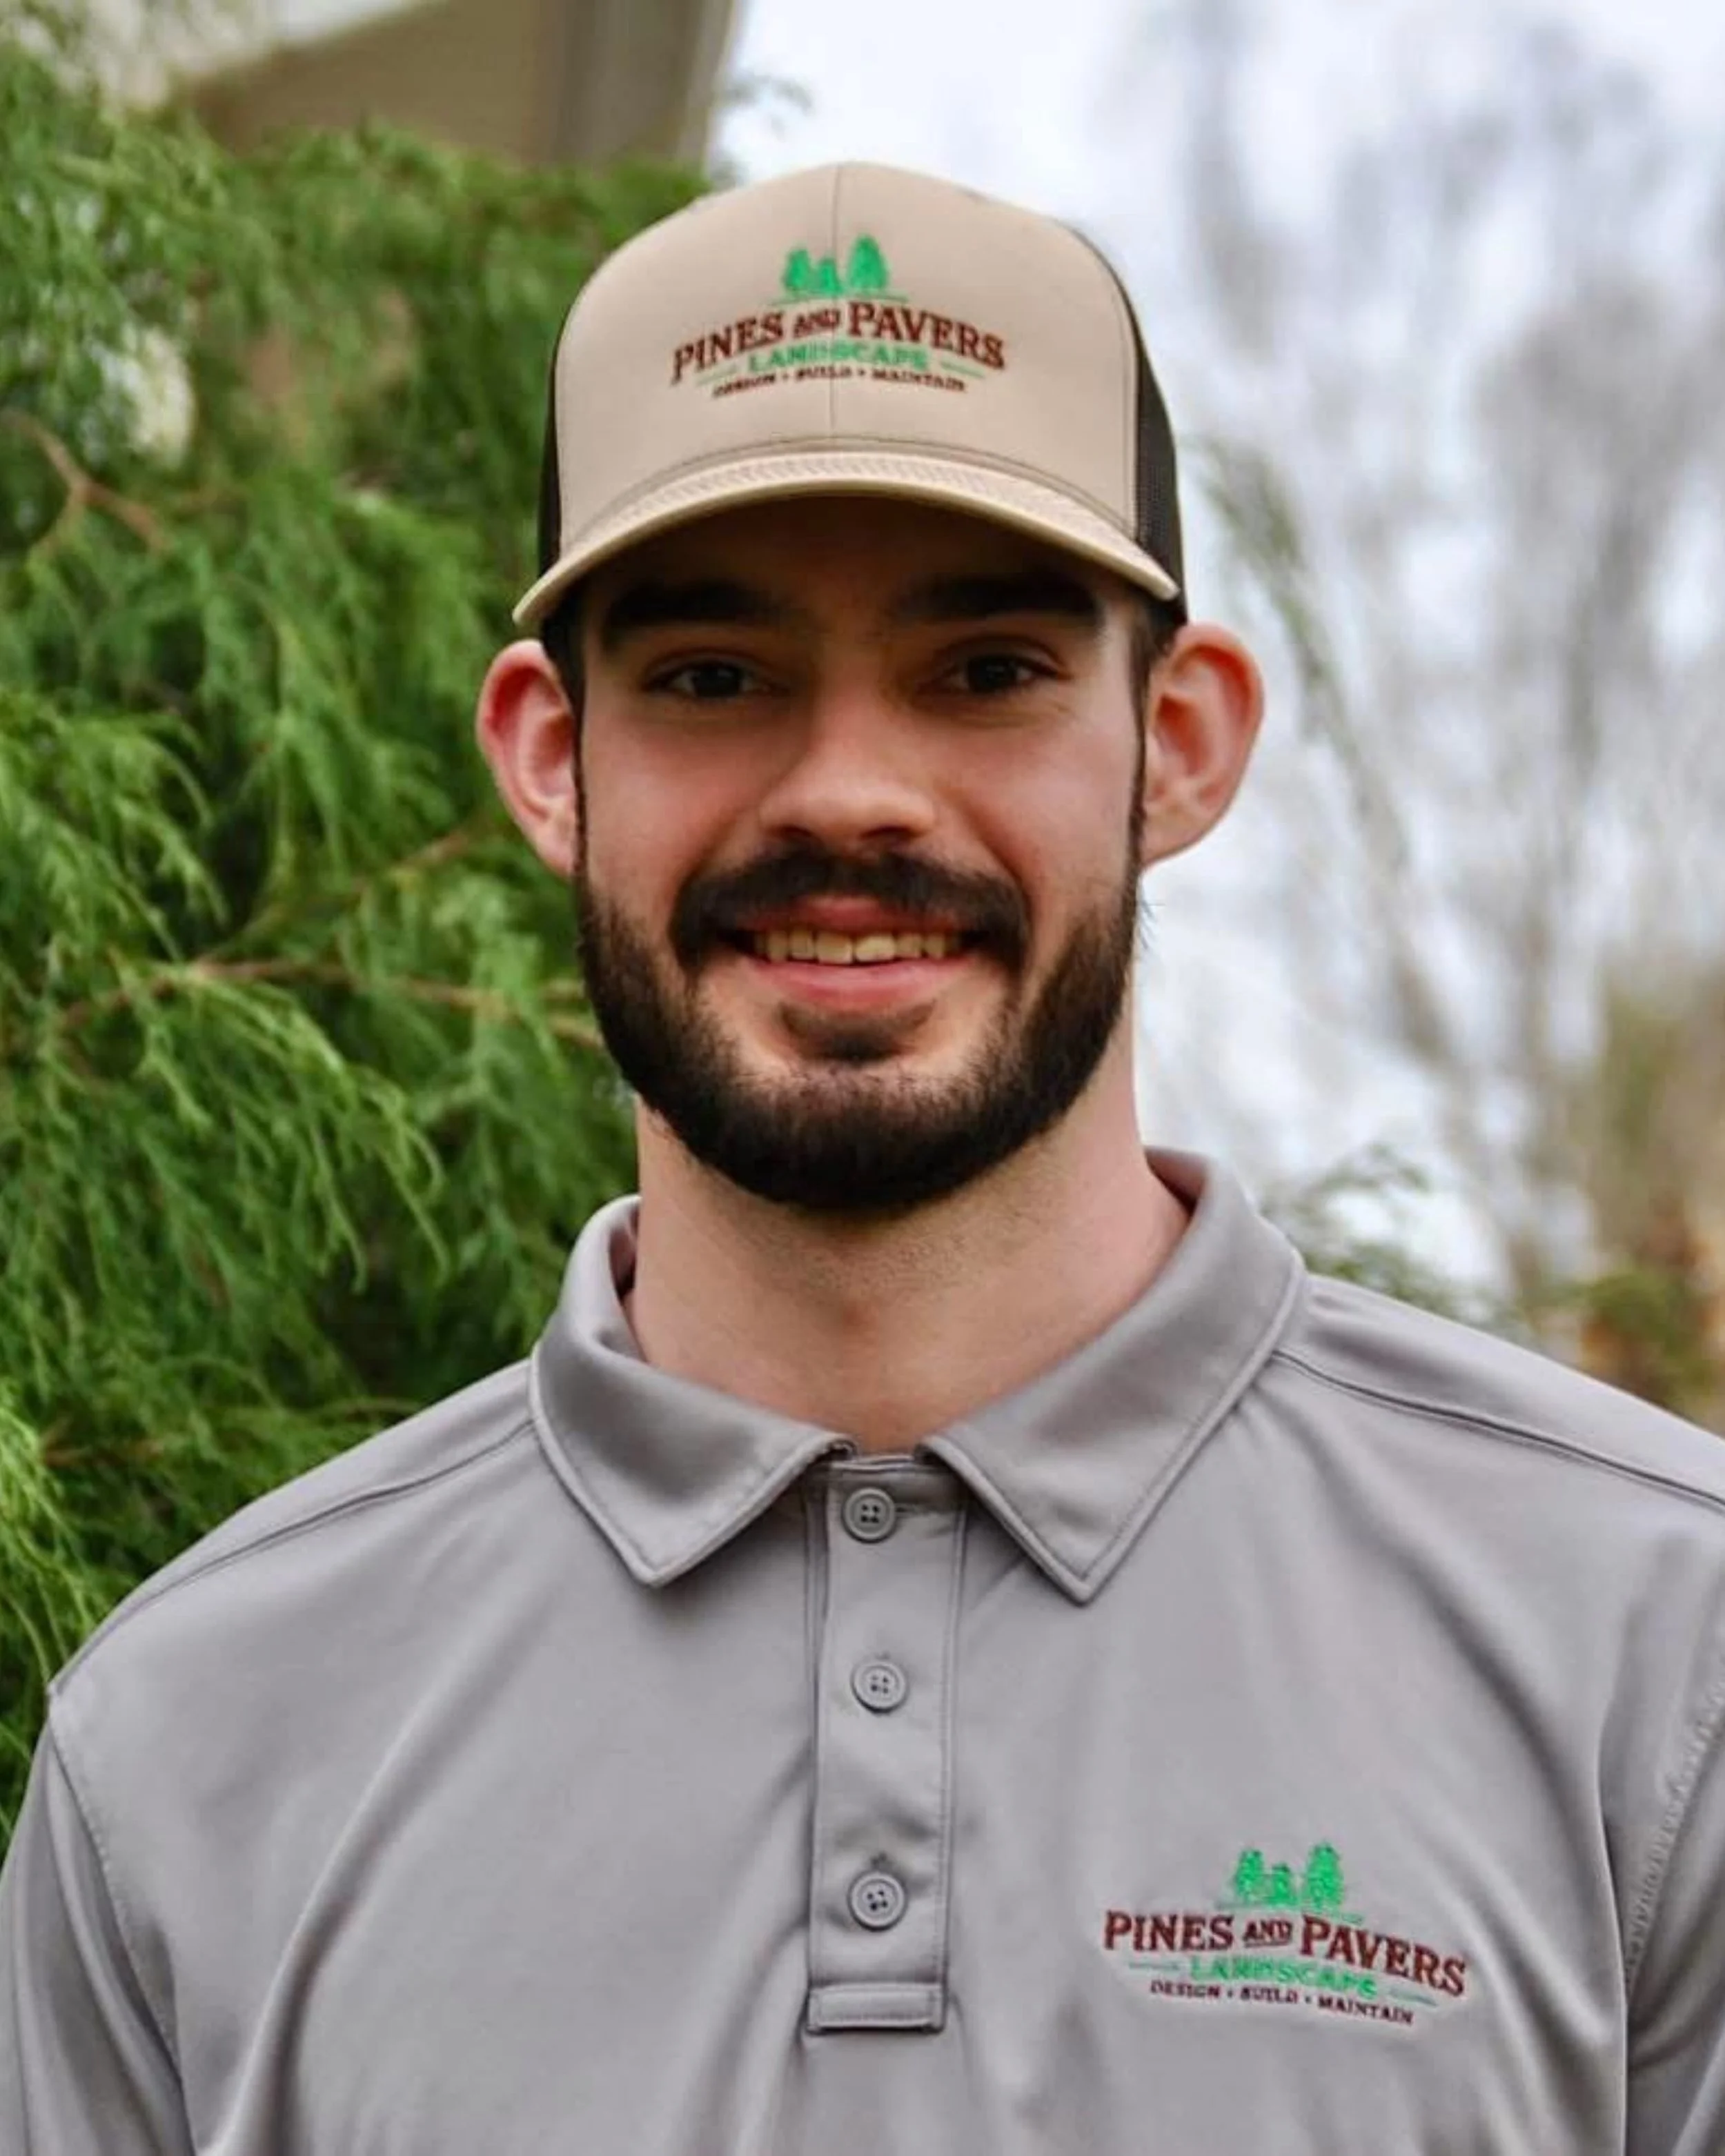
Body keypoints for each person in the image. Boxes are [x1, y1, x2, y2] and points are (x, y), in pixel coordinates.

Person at [3, 161, 1724, 2156]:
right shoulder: (197, 1744)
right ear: (552, 757)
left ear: (1178, 739)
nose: (846, 789)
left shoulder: (1653, 1654)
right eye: (712, 677)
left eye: (984, 667)